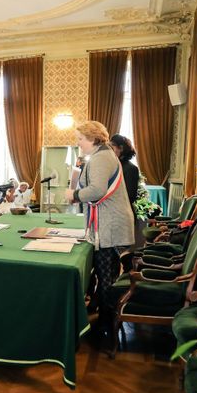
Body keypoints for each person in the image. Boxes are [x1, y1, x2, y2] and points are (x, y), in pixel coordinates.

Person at [64, 121, 134, 341]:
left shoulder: (102, 157)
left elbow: (97, 190)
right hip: (107, 224)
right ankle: (105, 320)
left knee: (107, 278)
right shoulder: (103, 155)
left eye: (80, 139)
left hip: (110, 226)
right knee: (107, 276)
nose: (79, 143)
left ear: (93, 139)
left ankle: (104, 327)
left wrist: (74, 195)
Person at [110, 134, 140, 208]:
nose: (110, 150)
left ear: (121, 148)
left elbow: (130, 196)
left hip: (122, 212)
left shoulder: (131, 168)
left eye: (112, 146)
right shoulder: (113, 166)